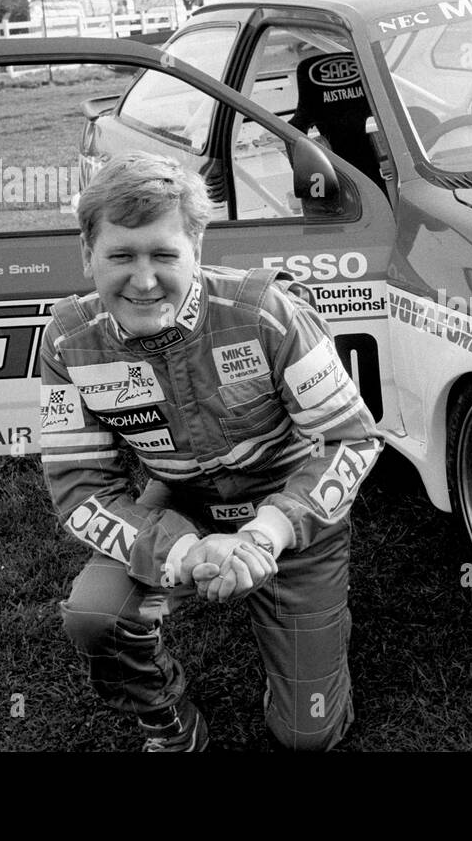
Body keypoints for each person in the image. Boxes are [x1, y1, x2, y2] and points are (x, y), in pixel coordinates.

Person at [38, 151, 381, 751]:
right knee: (94, 615)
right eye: (121, 255)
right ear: (87, 254)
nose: (143, 280)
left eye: (164, 255)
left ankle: (298, 626)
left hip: (286, 503)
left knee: (307, 736)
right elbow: (81, 491)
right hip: (181, 498)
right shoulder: (68, 341)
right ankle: (167, 720)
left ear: (196, 247)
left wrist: (262, 537)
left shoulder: (266, 312)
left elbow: (350, 439)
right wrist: (184, 549)